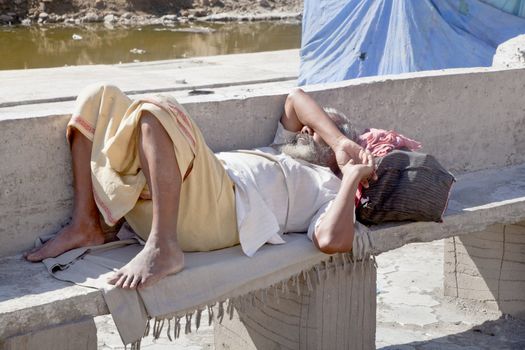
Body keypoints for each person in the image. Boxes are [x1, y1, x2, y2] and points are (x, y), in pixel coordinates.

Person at [24, 84, 375, 289]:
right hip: (181, 195)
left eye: (318, 133)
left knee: (157, 110)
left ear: (330, 159)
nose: (309, 131)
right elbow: (296, 99)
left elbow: (333, 241)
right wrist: (339, 138)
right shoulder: (285, 147)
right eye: (313, 128)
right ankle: (86, 224)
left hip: (221, 213)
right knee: (98, 96)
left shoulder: (328, 188)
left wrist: (349, 178)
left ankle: (165, 247)